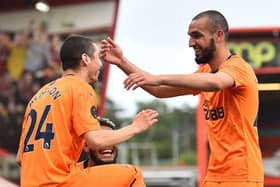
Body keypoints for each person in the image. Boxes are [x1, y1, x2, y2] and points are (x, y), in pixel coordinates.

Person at [101, 10, 264, 187]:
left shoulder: (238, 67)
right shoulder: (205, 72)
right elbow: (160, 91)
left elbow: (216, 82)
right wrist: (121, 62)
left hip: (242, 175)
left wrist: (158, 77)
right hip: (215, 175)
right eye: (190, 36)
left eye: (197, 36)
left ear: (218, 35)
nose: (190, 43)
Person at [16, 35, 158, 187]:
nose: (100, 64)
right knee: (133, 174)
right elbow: (96, 140)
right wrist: (135, 127)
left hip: (31, 183)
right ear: (85, 59)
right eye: (97, 57)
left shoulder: (38, 97)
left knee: (84, 169)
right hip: (58, 182)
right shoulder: (80, 88)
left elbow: (20, 158)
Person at [80, 117, 146, 186]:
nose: (108, 144)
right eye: (102, 139)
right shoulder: (72, 173)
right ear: (86, 146)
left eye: (112, 139)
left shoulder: (132, 176)